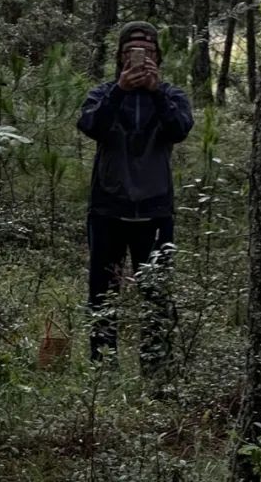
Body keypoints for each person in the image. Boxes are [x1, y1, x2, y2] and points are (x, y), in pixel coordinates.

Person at [77, 21, 194, 369]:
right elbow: (90, 126)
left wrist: (157, 94)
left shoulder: (172, 95)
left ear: (158, 57)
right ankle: (102, 368)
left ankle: (156, 371)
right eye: (131, 52)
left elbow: (179, 130)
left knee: (156, 295)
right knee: (102, 293)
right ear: (120, 57)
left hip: (155, 211)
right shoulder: (103, 93)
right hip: (108, 210)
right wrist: (119, 91)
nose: (139, 58)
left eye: (147, 52)